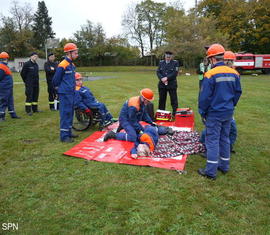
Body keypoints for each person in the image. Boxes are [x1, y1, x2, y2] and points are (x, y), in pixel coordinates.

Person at [198, 43, 242, 180]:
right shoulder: (234, 73)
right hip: (228, 112)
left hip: (214, 113)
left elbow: (204, 98)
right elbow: (237, 93)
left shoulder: (210, 74)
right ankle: (224, 166)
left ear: (212, 59)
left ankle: (210, 172)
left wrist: (202, 112)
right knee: (225, 138)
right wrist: (231, 105)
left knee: (212, 141)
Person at [52, 43, 79, 143]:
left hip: (71, 93)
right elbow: (55, 80)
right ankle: (64, 136)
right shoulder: (63, 64)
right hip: (65, 94)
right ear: (69, 53)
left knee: (70, 113)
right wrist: (59, 90)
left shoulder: (72, 65)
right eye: (75, 53)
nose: (77, 55)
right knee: (65, 114)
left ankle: (68, 132)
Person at [156, 51, 179, 116]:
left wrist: (167, 78)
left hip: (171, 84)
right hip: (162, 85)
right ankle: (161, 113)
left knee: (174, 100)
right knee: (161, 100)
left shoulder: (175, 63)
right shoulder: (161, 63)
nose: (168, 58)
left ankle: (175, 114)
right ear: (165, 56)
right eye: (167, 56)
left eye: (169, 57)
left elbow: (175, 73)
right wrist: (162, 78)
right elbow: (158, 72)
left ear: (171, 57)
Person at [0, 52, 20, 121]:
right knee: (4, 101)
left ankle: (12, 114)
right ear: (6, 58)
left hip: (9, 87)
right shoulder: (2, 66)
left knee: (10, 101)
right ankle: (1, 116)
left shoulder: (5, 66)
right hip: (4, 88)